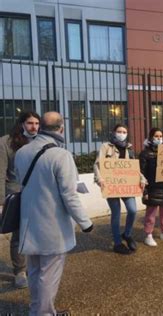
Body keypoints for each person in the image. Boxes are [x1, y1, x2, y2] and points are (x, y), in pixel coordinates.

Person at [15, 112, 93, 315]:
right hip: (52, 225)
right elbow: (69, 195)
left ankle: (36, 309)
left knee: (33, 271)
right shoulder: (61, 155)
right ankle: (44, 313)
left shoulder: (22, 152)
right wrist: (85, 223)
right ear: (61, 128)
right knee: (49, 274)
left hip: (28, 222)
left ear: (40, 127)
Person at [0, 111, 40, 289]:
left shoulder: (41, 142)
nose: (34, 127)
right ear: (22, 123)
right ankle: (20, 271)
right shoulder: (6, 142)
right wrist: (1, 200)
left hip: (39, 194)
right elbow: (1, 173)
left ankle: (35, 267)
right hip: (16, 194)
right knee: (18, 234)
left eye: (37, 123)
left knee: (39, 232)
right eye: (30, 123)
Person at [94, 124, 145, 255]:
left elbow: (134, 167)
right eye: (119, 131)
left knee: (132, 210)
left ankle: (127, 234)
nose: (121, 133)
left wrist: (142, 178)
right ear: (113, 132)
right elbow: (98, 164)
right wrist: (99, 179)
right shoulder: (106, 146)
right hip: (111, 186)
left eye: (124, 132)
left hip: (127, 186)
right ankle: (117, 243)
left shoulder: (129, 148)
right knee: (116, 213)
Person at [140, 128, 163, 246]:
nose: (159, 138)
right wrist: (144, 190)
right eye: (156, 136)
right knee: (151, 213)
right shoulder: (145, 154)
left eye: (161, 136)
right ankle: (148, 235)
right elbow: (141, 173)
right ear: (151, 137)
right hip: (152, 187)